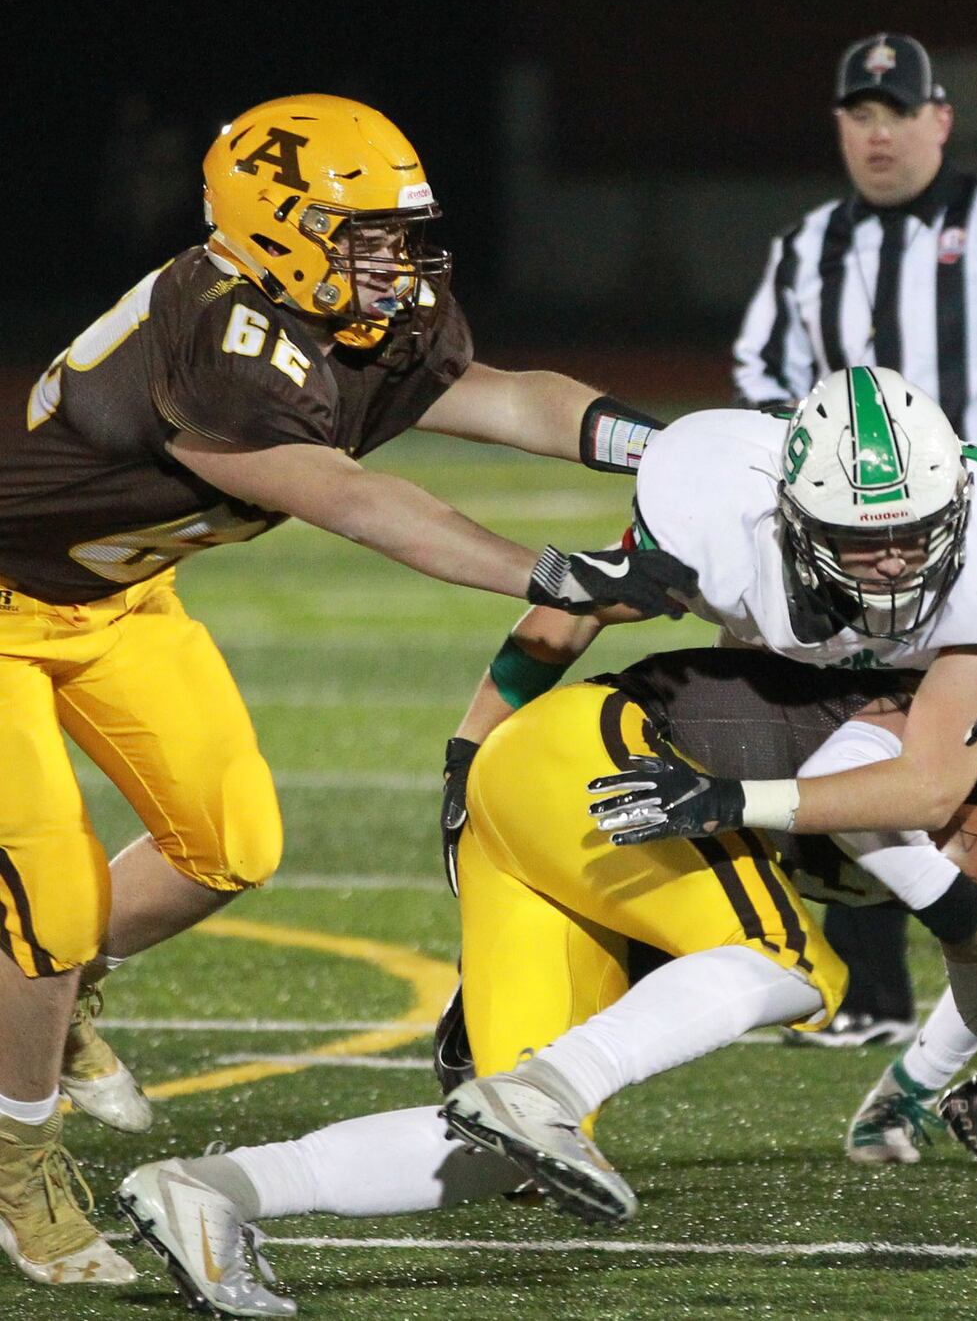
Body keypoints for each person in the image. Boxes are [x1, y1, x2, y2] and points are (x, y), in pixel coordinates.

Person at [0, 92, 691, 1290]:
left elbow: (509, 397)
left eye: (401, 232)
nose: (398, 261)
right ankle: (20, 1171)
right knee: (50, 904)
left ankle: (50, 1011)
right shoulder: (210, 333)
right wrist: (556, 570)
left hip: (120, 599)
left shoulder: (367, 312)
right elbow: (359, 501)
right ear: (276, 227)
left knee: (229, 847)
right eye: (362, 233)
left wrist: (672, 448)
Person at [117, 642, 977, 1315]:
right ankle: (544, 1091)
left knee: (486, 1156)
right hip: (607, 761)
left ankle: (212, 1191)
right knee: (786, 963)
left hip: (559, 811)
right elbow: (856, 773)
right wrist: (953, 901)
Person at [733, 33, 977, 1041]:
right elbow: (761, 383)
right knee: (840, 735)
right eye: (860, 115)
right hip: (852, 558)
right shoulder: (807, 244)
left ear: (940, 119)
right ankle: (876, 996)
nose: (878, 134)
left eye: (898, 113)